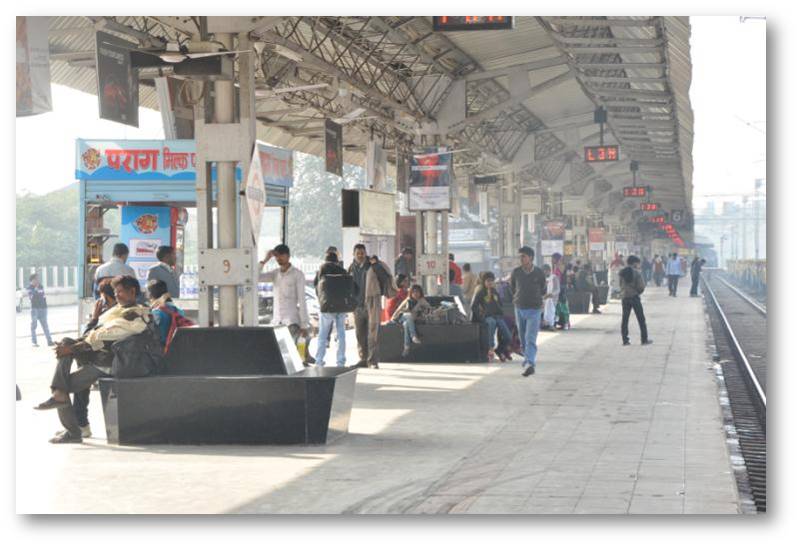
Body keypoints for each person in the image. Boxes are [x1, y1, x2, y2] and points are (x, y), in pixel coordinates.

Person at [34, 276, 151, 444]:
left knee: (64, 386)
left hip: (108, 363)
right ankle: (64, 403)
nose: (117, 295)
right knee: (66, 343)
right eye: (115, 292)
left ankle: (73, 430)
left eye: (120, 292)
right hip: (98, 358)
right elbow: (92, 335)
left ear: (132, 292)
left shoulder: (136, 315)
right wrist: (73, 344)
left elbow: (105, 337)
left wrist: (73, 348)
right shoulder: (118, 311)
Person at [349, 245, 393, 369]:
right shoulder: (352, 268)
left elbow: (384, 278)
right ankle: (363, 359)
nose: (360, 255)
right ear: (354, 254)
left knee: (373, 334)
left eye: (362, 253)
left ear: (365, 253)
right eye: (358, 253)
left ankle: (373, 361)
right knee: (360, 334)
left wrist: (377, 264)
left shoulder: (372, 266)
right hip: (357, 306)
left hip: (372, 304)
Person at [259, 244, 311, 346]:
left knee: (293, 352)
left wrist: (304, 325)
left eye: (281, 255)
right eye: (277, 256)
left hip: (291, 322)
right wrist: (265, 260)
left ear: (288, 256)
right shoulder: (275, 274)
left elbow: (302, 300)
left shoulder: (297, 274)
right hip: (277, 321)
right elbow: (256, 278)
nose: (279, 258)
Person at [511, 246, 547, 377]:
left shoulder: (538, 272)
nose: (521, 259)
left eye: (523, 257)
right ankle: (527, 358)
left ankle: (530, 363)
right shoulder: (516, 272)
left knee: (530, 336)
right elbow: (513, 288)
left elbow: (543, 288)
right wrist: (518, 299)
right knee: (522, 337)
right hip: (519, 308)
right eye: (519, 257)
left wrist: (537, 299)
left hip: (534, 309)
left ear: (530, 258)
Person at [313, 252, 350, 367]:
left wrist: (321, 301)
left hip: (327, 306)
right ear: (337, 260)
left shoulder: (322, 269)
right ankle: (340, 361)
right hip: (341, 307)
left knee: (323, 334)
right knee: (341, 333)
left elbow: (317, 286)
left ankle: (319, 360)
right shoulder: (343, 271)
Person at [471, 272, 513, 362]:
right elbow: (473, 306)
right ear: (484, 281)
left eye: (492, 280)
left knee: (508, 337)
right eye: (488, 281)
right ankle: (490, 350)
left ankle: (499, 350)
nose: (490, 283)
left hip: (498, 316)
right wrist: (480, 317)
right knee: (491, 323)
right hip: (487, 317)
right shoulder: (480, 292)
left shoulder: (495, 291)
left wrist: (500, 313)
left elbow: (500, 304)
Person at [147, 279, 192, 352]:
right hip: (178, 352)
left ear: (150, 295)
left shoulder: (155, 313)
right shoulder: (180, 312)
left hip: (161, 354)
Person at [619, 256, 653, 346]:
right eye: (637, 263)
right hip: (634, 297)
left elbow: (620, 285)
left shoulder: (621, 273)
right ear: (634, 263)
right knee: (641, 318)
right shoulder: (637, 273)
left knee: (625, 319)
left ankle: (625, 340)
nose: (638, 265)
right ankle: (644, 339)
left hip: (625, 298)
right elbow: (641, 287)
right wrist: (636, 292)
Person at [391, 284, 431, 357]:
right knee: (408, 316)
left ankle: (406, 348)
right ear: (411, 293)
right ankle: (413, 336)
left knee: (406, 325)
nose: (416, 294)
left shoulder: (421, 300)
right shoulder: (408, 300)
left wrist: (423, 310)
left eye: (418, 292)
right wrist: (393, 319)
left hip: (411, 320)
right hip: (402, 317)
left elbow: (428, 308)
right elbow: (398, 310)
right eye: (414, 292)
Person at [27, 273, 54, 347]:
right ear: (32, 280)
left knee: (45, 326)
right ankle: (34, 342)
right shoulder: (29, 288)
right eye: (36, 279)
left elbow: (43, 296)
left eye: (38, 279)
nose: (38, 280)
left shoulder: (41, 286)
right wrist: (35, 289)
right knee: (34, 326)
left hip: (43, 309)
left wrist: (45, 306)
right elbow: (31, 297)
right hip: (34, 309)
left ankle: (49, 341)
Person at [542, 264, 560, 330]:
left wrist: (552, 294)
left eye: (545, 271)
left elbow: (558, 289)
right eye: (543, 272)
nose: (544, 273)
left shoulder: (554, 277)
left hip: (553, 299)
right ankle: (546, 324)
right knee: (545, 312)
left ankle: (551, 325)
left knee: (552, 311)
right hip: (545, 298)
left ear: (549, 270)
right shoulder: (543, 279)